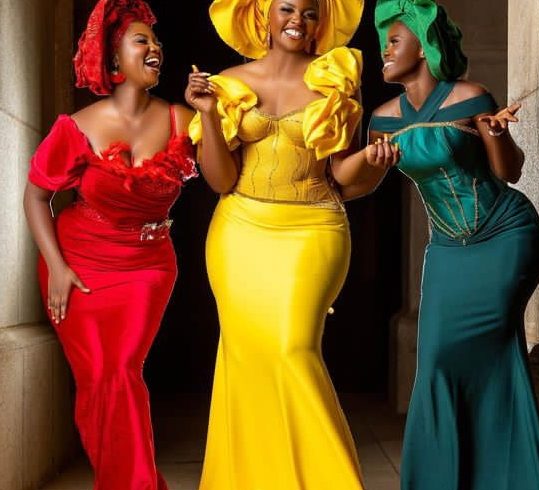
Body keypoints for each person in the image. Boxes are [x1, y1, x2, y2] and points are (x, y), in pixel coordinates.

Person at [184, 0, 396, 488]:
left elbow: (342, 175)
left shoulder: (335, 80)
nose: (298, 20)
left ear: (321, 23)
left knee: (293, 348)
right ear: (264, 15)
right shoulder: (228, 84)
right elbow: (220, 181)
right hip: (239, 230)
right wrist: (209, 115)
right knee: (244, 358)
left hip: (313, 228)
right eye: (286, 8)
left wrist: (372, 160)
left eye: (309, 12)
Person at [370, 0, 539, 488]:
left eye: (394, 40)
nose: (384, 50)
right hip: (448, 250)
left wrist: (496, 134)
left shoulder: (471, 97)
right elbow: (354, 181)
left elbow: (508, 171)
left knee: (489, 353)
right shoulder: (383, 119)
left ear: (423, 47)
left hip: (505, 235)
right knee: (436, 360)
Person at [23, 1, 196, 488]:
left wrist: (208, 112)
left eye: (157, 41)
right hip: (78, 262)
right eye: (142, 40)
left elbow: (227, 177)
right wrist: (57, 267)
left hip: (147, 266)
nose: (155, 47)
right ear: (114, 58)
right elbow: (36, 197)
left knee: (120, 369)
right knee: (97, 379)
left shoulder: (182, 119)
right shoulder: (77, 126)